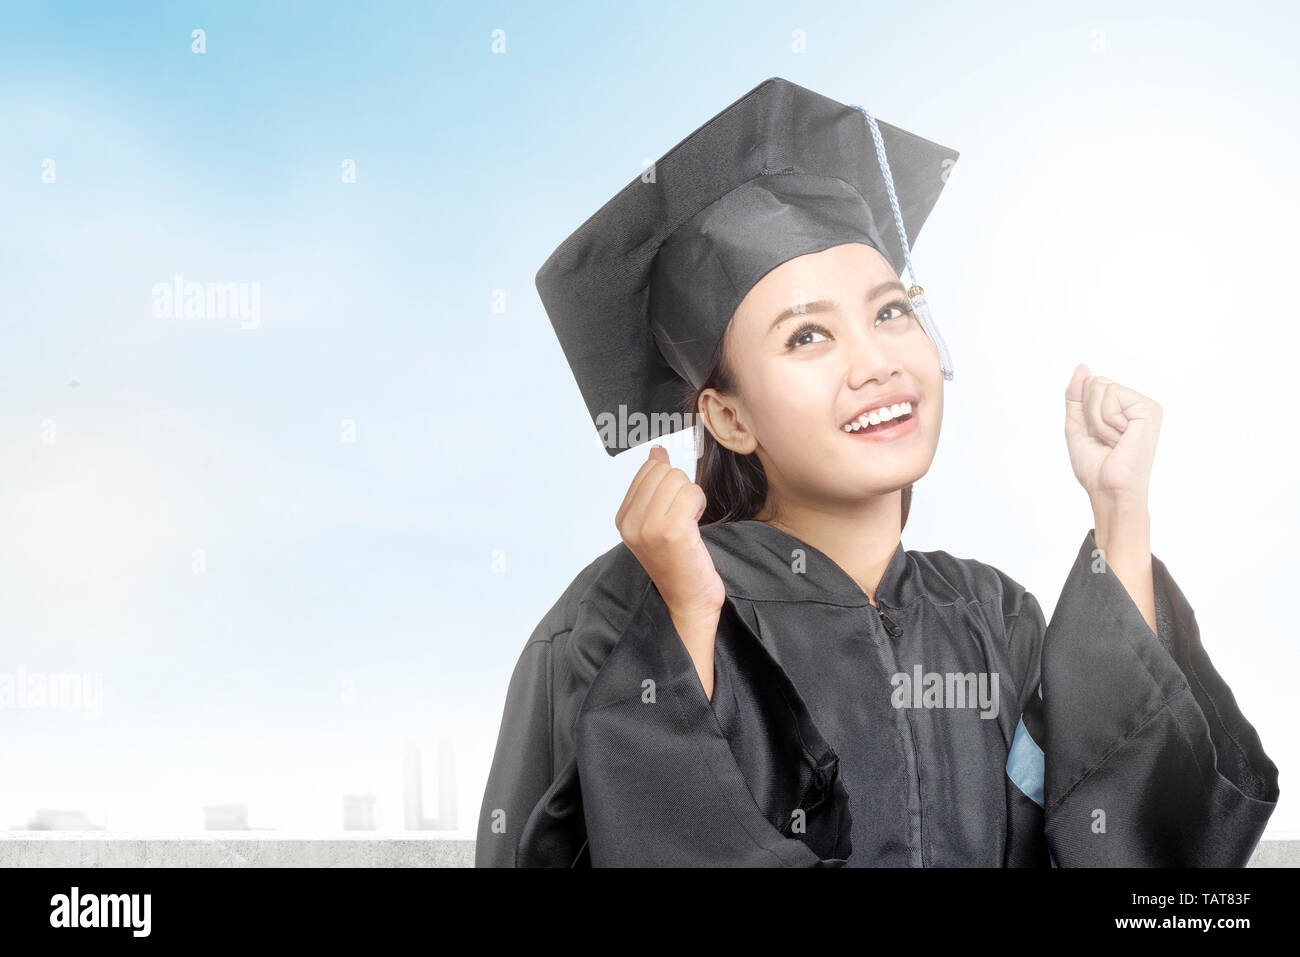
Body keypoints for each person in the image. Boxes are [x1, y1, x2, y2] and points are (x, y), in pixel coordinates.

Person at [474, 77, 1279, 867]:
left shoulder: (994, 618)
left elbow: (1129, 854)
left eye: (891, 311)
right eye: (806, 338)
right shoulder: (623, 609)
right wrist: (686, 623)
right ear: (728, 417)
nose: (875, 363)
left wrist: (1119, 512)